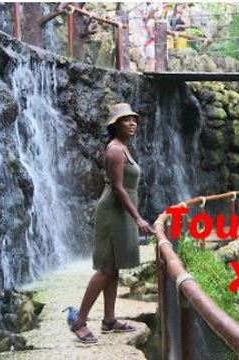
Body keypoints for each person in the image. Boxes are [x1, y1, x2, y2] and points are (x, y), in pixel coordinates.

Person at [69, 103, 155, 343]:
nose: (132, 123)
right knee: (106, 268)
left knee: (114, 267)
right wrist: (137, 217)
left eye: (134, 119)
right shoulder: (115, 150)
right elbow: (118, 188)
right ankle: (80, 321)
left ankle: (109, 320)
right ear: (115, 125)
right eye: (126, 120)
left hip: (122, 211)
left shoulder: (124, 148)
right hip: (113, 212)